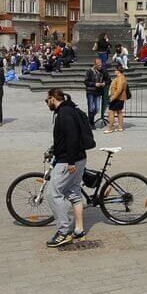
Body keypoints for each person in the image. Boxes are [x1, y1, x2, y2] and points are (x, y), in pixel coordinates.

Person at [45, 87, 93, 246]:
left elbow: (72, 137)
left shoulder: (64, 113)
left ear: (53, 98)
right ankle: (78, 231)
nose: (47, 104)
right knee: (74, 193)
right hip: (79, 157)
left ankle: (63, 231)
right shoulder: (71, 109)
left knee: (53, 193)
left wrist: (70, 161)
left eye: (47, 100)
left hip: (69, 161)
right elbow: (66, 137)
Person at [84, 58, 106, 126]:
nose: (100, 66)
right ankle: (91, 123)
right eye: (98, 65)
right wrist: (94, 84)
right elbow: (86, 82)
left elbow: (107, 79)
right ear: (95, 65)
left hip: (98, 92)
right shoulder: (90, 71)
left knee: (97, 109)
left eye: (101, 65)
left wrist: (104, 83)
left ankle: (89, 119)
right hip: (90, 91)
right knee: (91, 108)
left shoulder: (102, 71)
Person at [105, 69, 127, 133]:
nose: (114, 71)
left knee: (111, 112)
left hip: (117, 98)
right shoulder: (121, 77)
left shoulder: (120, 78)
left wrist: (113, 97)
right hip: (120, 98)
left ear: (118, 71)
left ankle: (110, 128)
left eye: (115, 70)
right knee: (119, 112)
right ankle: (120, 127)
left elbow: (119, 90)